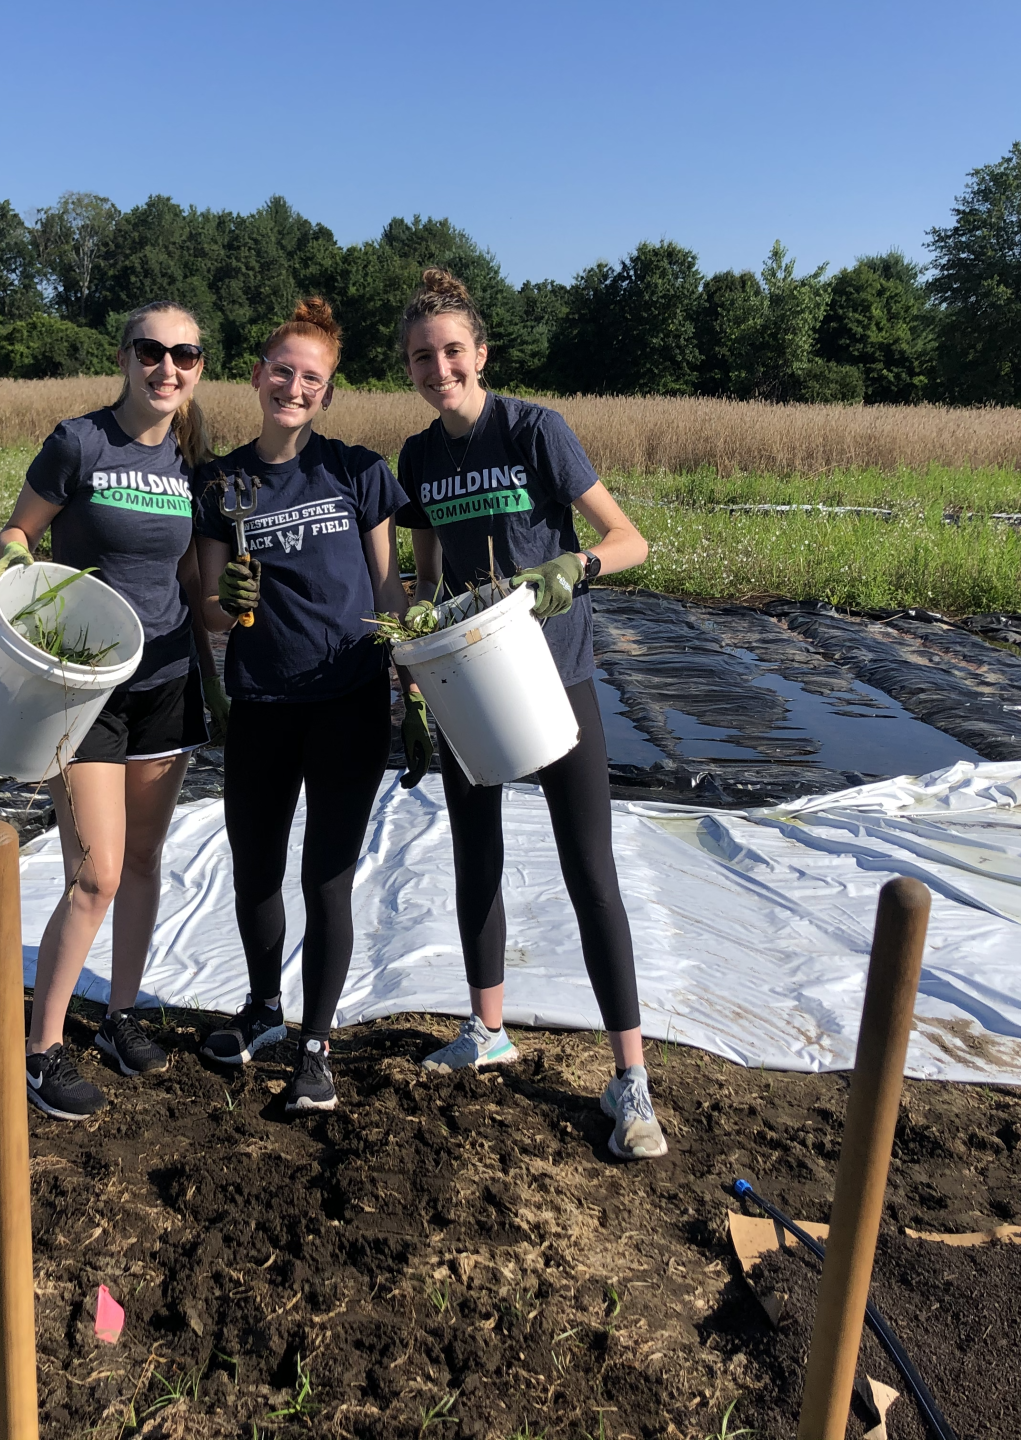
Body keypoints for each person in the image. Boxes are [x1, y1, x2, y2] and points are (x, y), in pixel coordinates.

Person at [393, 268, 668, 1160]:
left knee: (590, 869)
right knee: (477, 855)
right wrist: (415, 659)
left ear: (480, 354)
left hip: (555, 677)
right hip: (467, 682)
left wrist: (573, 569)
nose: (441, 369)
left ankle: (630, 1077)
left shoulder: (536, 431)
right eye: (423, 358)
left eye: (452, 352)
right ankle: (488, 1028)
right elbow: (426, 578)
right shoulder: (420, 458)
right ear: (411, 370)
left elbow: (628, 540)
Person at [0, 300, 223, 1121]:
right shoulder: (78, 443)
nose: (168, 368)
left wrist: (234, 612)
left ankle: (121, 1015)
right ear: (124, 357)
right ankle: (41, 1049)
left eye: (185, 355)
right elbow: (19, 532)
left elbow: (199, 589)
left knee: (146, 864)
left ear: (198, 368)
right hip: (83, 687)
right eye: (152, 351)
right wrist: (14, 566)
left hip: (167, 681)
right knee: (96, 872)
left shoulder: (194, 469)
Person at [193, 298, 414, 1114]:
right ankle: (261, 1011)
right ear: (257, 377)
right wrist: (226, 596)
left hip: (348, 701)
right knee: (255, 868)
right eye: (281, 371)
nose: (293, 386)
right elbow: (213, 613)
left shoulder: (357, 472)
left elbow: (389, 586)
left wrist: (410, 681)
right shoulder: (220, 484)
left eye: (310, 377)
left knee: (327, 877)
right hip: (260, 702)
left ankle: (316, 1046)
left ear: (327, 392)